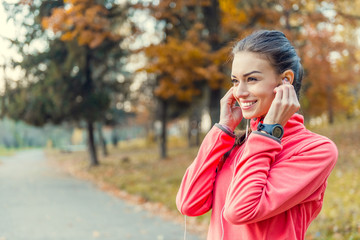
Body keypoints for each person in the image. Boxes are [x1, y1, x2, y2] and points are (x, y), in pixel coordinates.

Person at [176, 30, 338, 240]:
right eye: (235, 81)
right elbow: (189, 203)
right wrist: (223, 129)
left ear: (285, 81)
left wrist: (270, 132)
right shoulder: (238, 144)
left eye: (251, 79)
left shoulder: (315, 150)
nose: (239, 92)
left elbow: (240, 210)